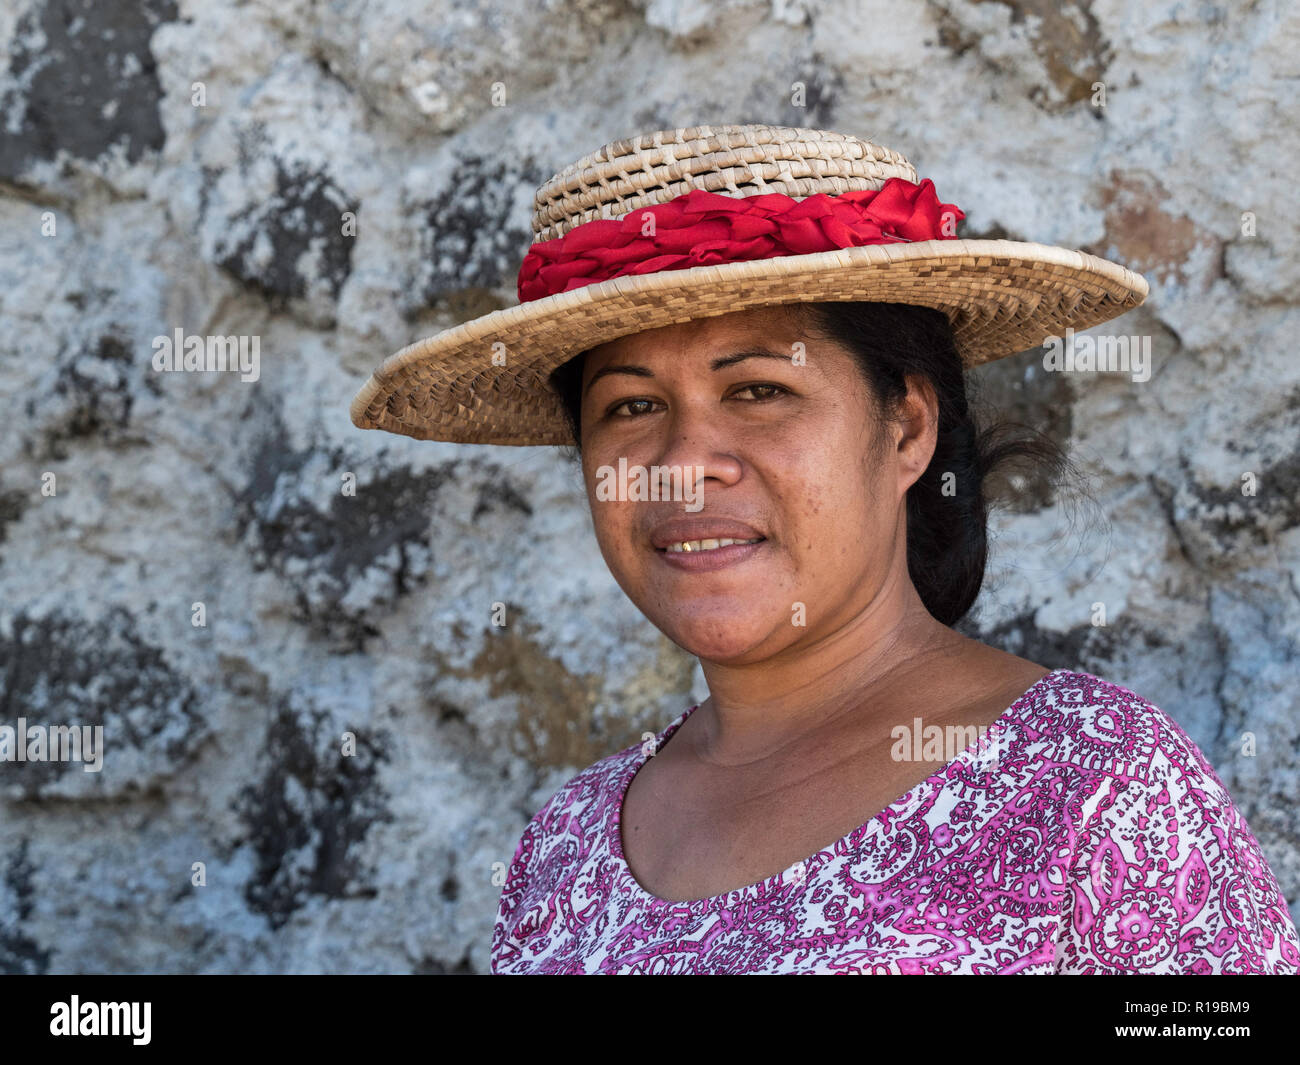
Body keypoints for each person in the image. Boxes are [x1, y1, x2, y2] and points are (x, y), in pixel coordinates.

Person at [350, 124, 1300, 974]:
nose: (683, 466)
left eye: (759, 390)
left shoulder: (1092, 782)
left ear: (906, 428)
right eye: (632, 406)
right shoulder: (565, 850)